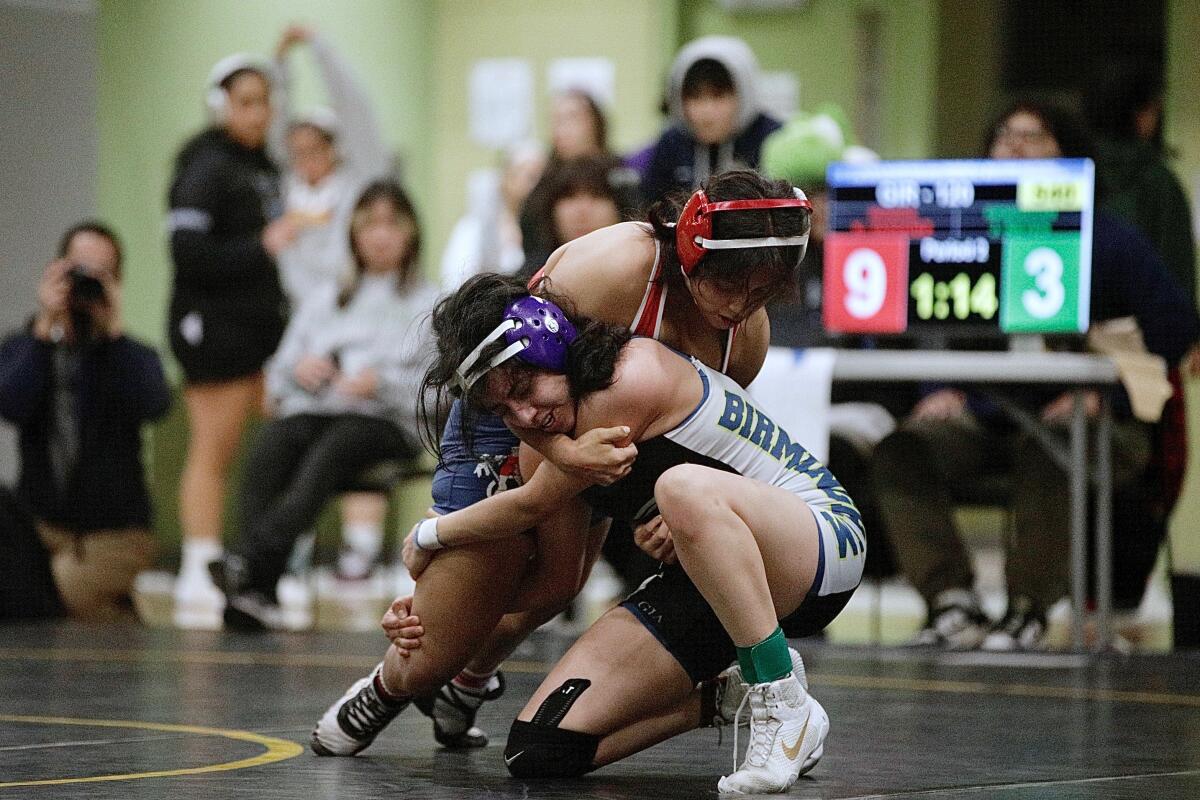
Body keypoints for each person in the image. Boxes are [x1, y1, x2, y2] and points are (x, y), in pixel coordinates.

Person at [314, 276, 863, 794]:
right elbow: (555, 584)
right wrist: (428, 610)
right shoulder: (544, 442)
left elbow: (529, 504)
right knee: (540, 749)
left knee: (684, 490)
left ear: (552, 346)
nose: (526, 414)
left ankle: (779, 698)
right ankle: (726, 698)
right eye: (502, 408)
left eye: (525, 387)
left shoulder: (629, 375)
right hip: (715, 585)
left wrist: (430, 536)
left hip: (820, 542)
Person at [400, 170, 813, 752]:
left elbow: (707, 439)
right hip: (514, 403)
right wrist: (566, 452)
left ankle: (463, 684)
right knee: (499, 570)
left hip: (604, 442)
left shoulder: (745, 340)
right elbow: (516, 368)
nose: (741, 304)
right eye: (730, 284)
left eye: (762, 290)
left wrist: (680, 511)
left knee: (556, 588)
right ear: (694, 251)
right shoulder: (614, 267)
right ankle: (394, 677)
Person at [871, 99, 1200, 651]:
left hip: (1092, 425)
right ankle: (951, 601)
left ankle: (1027, 608)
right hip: (987, 419)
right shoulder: (959, 235)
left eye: (1036, 134)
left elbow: (1176, 326)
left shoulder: (1110, 239)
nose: (1016, 144)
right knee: (902, 449)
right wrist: (940, 388)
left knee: (1053, 446)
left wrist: (1106, 392)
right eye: (1005, 134)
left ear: (1070, 156)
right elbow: (926, 319)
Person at [210, 181, 437, 631]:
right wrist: (301, 370)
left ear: (410, 233)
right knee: (275, 440)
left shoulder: (431, 304)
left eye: (391, 223)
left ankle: (249, 561)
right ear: (353, 233)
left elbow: (443, 395)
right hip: (321, 411)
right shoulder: (325, 298)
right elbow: (278, 373)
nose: (380, 235)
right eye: (369, 224)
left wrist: (382, 384)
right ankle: (259, 591)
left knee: (338, 442)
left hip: (387, 423)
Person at [167, 53, 292, 628]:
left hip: (260, 329)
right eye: (246, 101)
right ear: (221, 106)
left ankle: (253, 568)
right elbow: (188, 254)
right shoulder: (204, 166)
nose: (258, 112)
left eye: (264, 100)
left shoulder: (258, 164)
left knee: (262, 456)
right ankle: (199, 564)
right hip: (214, 328)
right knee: (214, 449)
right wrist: (263, 246)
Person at [273, 24, 395, 583]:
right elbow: (275, 123)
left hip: (359, 323)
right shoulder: (287, 199)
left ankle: (357, 547)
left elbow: (354, 108)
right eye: (296, 151)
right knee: (285, 433)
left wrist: (316, 51)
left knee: (346, 435)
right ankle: (278, 551)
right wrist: (276, 71)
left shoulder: (357, 185)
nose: (306, 158)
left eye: (316, 147)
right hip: (309, 327)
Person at [0, 222, 170, 622]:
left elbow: (155, 405)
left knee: (53, 598)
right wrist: (45, 326)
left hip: (115, 534)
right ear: (57, 271)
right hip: (40, 530)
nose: (87, 285)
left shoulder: (130, 354)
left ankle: (114, 616)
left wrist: (114, 331)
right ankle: (120, 617)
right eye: (79, 271)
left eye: (102, 274)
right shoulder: (26, 345)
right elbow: (10, 404)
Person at [640, 36, 781, 207]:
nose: (706, 110)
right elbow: (652, 209)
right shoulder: (671, 143)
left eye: (718, 96)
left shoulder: (774, 139)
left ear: (744, 94)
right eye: (695, 97)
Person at [519, 89, 639, 270]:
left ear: (596, 124)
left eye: (572, 118)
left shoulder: (620, 176)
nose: (562, 129)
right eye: (556, 121)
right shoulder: (544, 185)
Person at [439, 141, 545, 291]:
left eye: (540, 175)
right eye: (527, 174)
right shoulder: (476, 225)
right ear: (505, 177)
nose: (533, 183)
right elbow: (455, 279)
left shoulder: (544, 228)